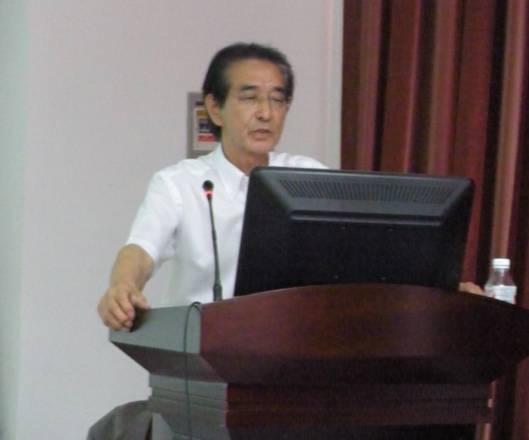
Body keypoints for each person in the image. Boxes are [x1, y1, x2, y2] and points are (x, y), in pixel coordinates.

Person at [97, 42, 326, 331]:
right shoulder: (179, 183)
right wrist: (123, 286)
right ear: (215, 108)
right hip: (198, 346)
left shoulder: (309, 179)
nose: (265, 113)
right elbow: (141, 249)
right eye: (250, 98)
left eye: (277, 100)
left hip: (289, 343)